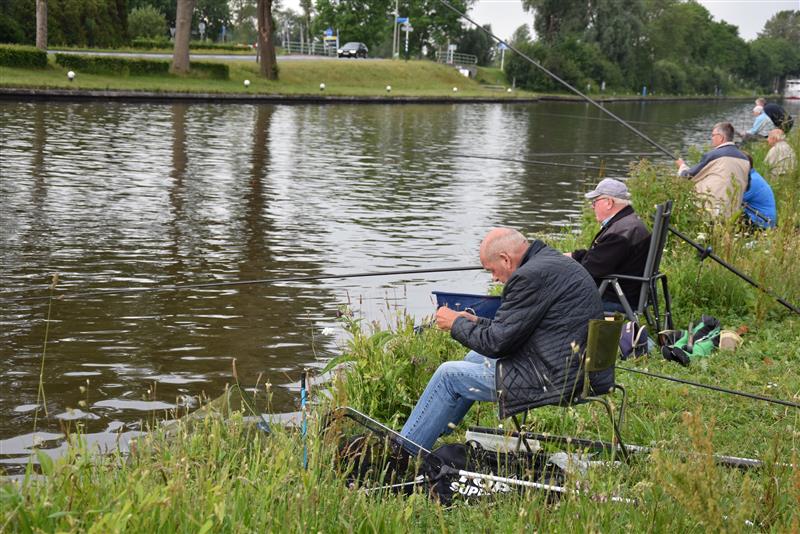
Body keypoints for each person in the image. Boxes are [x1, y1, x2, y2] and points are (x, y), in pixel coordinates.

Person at [398, 228, 604, 453]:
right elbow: (513, 330)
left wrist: (455, 324)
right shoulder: (548, 262)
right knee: (474, 357)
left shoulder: (528, 276)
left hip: (557, 378)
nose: (494, 278)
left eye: (492, 270)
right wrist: (476, 321)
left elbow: (496, 344)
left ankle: (403, 452)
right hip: (576, 367)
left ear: (505, 259)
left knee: (448, 375)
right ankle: (434, 428)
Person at [567, 178, 651, 313]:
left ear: (609, 203)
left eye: (595, 202)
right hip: (624, 292)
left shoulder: (621, 232)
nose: (592, 206)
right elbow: (601, 257)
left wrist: (560, 267)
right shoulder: (628, 223)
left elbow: (590, 270)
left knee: (554, 301)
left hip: (616, 298)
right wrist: (573, 256)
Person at [676, 122, 749, 218]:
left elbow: (688, 176)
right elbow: (747, 186)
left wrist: (682, 166)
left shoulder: (714, 155)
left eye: (713, 135)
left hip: (712, 211)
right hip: (732, 212)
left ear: (721, 137)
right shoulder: (745, 159)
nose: (712, 138)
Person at [741, 155, 777, 230]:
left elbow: (735, 200)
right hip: (761, 219)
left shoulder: (752, 180)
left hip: (761, 223)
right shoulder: (753, 176)